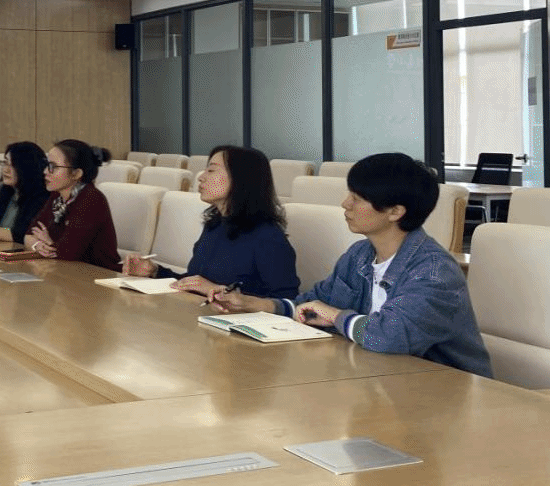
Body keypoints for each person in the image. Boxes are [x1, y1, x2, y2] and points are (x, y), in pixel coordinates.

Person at [212, 152, 493, 376]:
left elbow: (388, 336)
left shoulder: (434, 271)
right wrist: (258, 305)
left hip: (443, 392)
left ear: (395, 211)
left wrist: (336, 316)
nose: (345, 203)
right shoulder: (360, 254)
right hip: (381, 379)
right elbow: (313, 303)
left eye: (357, 199)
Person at [123, 145, 298, 299]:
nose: (201, 177)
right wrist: (154, 271)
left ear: (240, 178)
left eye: (211, 170)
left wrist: (216, 290)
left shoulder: (268, 237)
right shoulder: (215, 225)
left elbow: (286, 302)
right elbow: (196, 282)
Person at [24, 139, 120, 271]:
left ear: (76, 173)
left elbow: (69, 252)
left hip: (99, 273)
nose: (46, 171)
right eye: (47, 165)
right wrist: (38, 246)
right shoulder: (57, 196)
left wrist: (49, 242)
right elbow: (29, 235)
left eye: (53, 167)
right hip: (63, 270)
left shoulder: (91, 199)